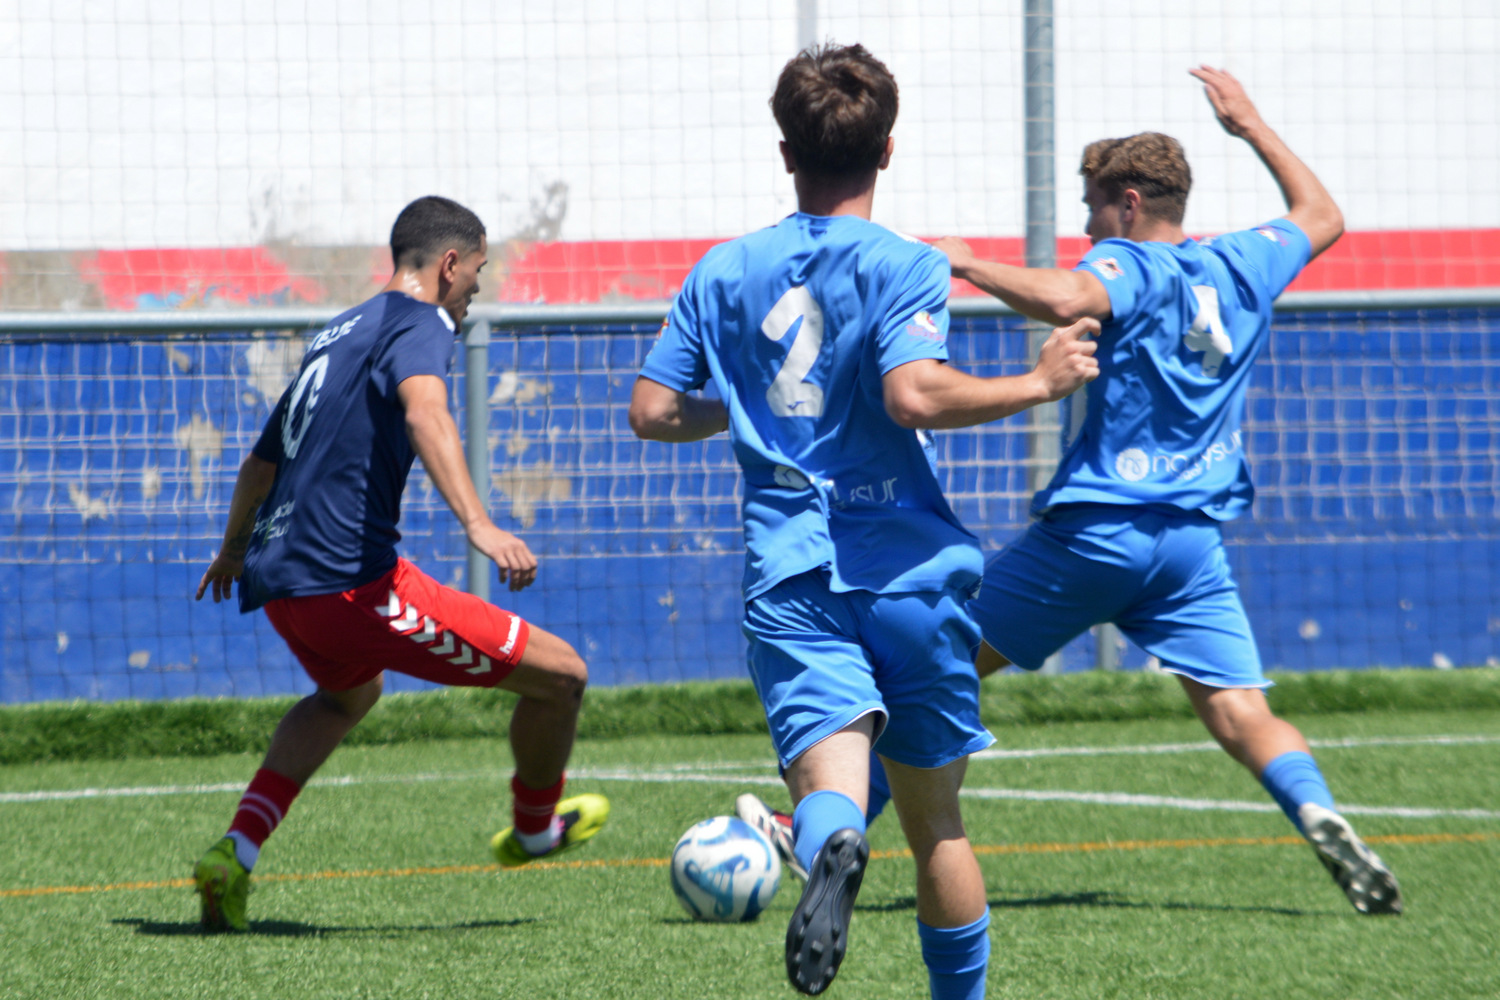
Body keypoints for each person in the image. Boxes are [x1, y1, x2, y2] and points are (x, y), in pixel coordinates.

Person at [630, 44, 1098, 998]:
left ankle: (834, 843)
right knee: (939, 829)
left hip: (793, 572)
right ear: (887, 151)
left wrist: (750, 410)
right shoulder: (906, 264)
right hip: (910, 576)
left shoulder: (723, 270)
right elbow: (913, 395)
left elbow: (650, 411)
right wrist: (1037, 383)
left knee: (833, 789)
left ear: (784, 150)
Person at [924, 65, 1396, 915]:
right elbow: (1323, 216)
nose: (1085, 225)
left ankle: (811, 835)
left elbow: (1071, 292)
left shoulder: (1130, 264)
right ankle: (1316, 807)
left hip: (1094, 538)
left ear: (1130, 205)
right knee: (1241, 716)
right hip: (1190, 548)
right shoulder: (1245, 262)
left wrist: (963, 261)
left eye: (1093, 208)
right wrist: (1250, 122)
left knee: (937, 674)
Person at [191, 195, 609, 932]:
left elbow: (260, 464)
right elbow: (426, 411)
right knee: (564, 678)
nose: (480, 285)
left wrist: (231, 550)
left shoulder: (337, 332)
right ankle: (536, 827)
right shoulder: (421, 323)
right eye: (479, 269)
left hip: (280, 582)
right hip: (353, 587)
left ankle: (236, 851)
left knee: (344, 698)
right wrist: (479, 522)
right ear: (449, 264)